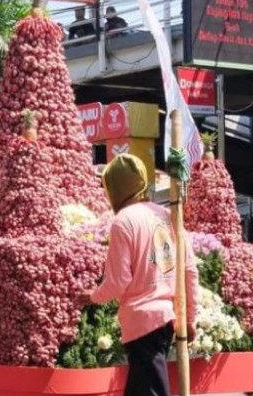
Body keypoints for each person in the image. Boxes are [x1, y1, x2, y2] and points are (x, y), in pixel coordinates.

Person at [78, 153, 199, 396]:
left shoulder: (123, 221)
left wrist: (91, 297)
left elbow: (118, 282)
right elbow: (189, 270)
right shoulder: (168, 216)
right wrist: (190, 317)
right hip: (165, 320)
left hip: (142, 323)